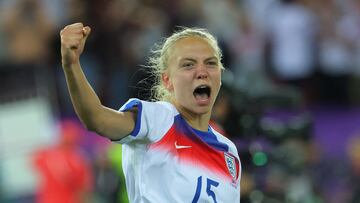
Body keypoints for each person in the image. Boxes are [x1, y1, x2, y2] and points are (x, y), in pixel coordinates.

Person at [60, 22, 241, 202]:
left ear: (220, 76)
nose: (202, 72)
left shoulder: (228, 152)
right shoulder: (158, 119)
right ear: (167, 80)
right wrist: (71, 63)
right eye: (188, 65)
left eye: (210, 63)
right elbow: (97, 119)